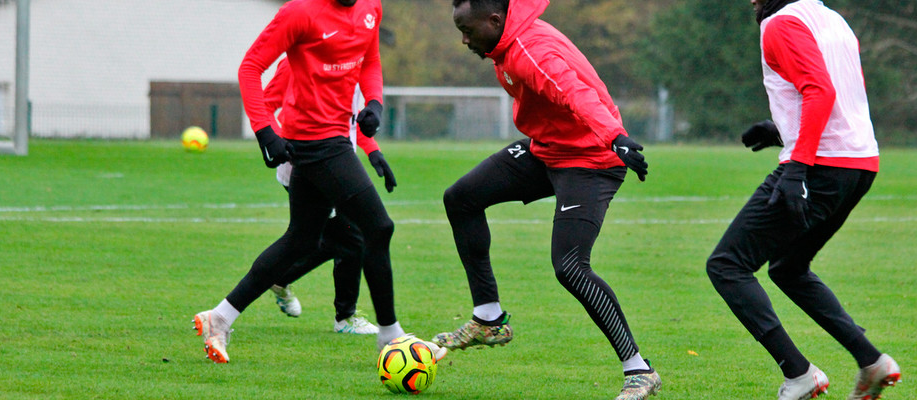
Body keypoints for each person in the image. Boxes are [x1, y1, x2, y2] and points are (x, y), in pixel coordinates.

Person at [437, 1, 659, 399]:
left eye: (468, 31)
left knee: (570, 266)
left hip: (591, 160)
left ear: (495, 20)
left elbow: (575, 93)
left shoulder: (530, 52)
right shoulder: (506, 42)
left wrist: (615, 137)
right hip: (548, 150)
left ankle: (639, 371)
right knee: (461, 198)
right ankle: (488, 319)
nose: (465, 41)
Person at [192, 0, 418, 364]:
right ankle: (391, 336)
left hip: (333, 141)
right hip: (316, 144)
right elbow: (250, 68)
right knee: (378, 227)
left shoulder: (371, 8)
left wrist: (375, 103)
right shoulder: (299, 12)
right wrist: (265, 131)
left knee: (301, 240)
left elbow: (370, 61)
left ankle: (220, 317)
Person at [705, 1, 901, 399]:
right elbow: (841, 96)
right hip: (859, 165)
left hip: (820, 166)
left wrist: (796, 167)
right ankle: (872, 362)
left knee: (727, 265)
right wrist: (783, 129)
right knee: (788, 268)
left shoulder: (781, 23)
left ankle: (799, 374)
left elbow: (820, 90)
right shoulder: (833, 19)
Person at [261, 59, 395, 335]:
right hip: (307, 167)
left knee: (330, 239)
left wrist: (373, 151)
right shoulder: (296, 60)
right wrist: (278, 142)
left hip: (339, 165)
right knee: (353, 237)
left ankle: (279, 278)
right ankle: (345, 318)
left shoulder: (350, 59)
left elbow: (350, 119)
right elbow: (265, 106)